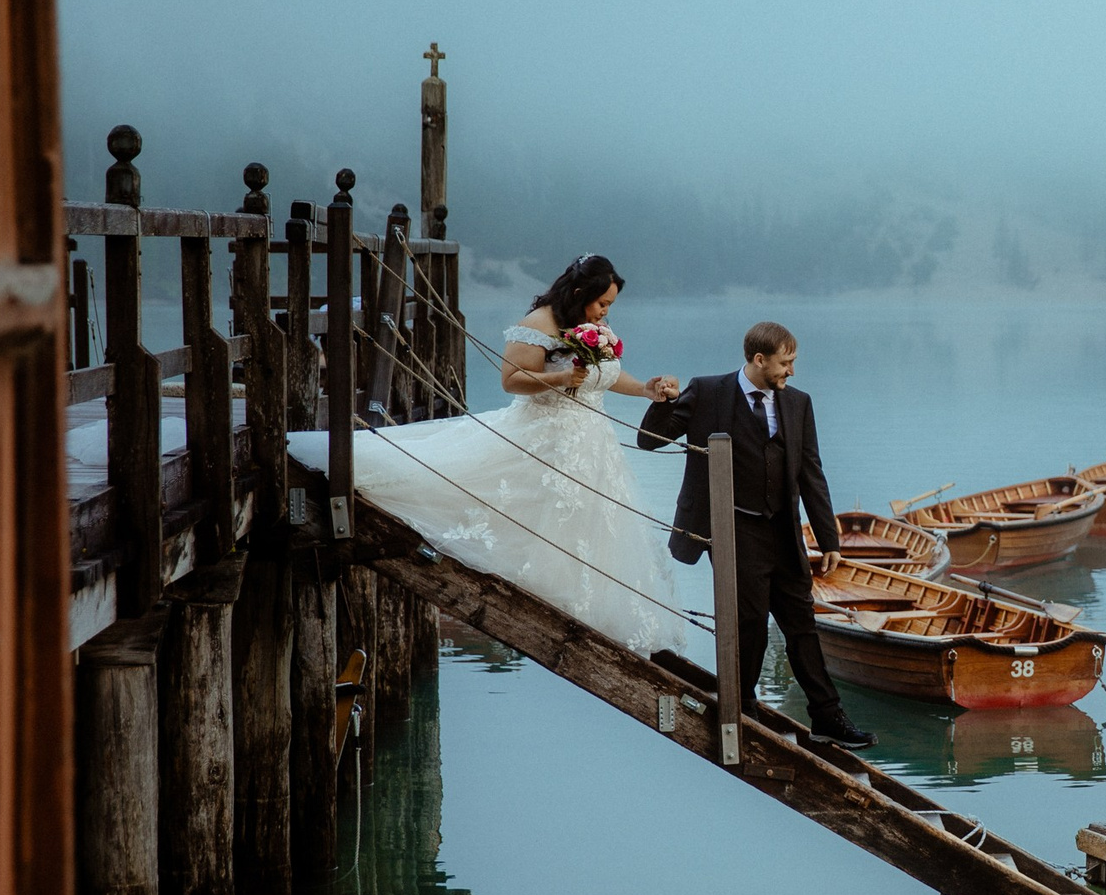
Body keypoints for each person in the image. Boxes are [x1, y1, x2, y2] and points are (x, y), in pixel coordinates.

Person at [338, 253, 686, 652]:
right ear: (577, 293)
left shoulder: (593, 327)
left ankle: (589, 612)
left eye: (609, 306)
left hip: (592, 442)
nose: (605, 313)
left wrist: (645, 388)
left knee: (590, 527)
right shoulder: (537, 324)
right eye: (602, 303)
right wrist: (561, 378)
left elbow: (603, 375)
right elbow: (511, 380)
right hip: (545, 433)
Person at [638, 321, 873, 748]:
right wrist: (659, 402)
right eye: (786, 363)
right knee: (750, 624)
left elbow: (811, 473)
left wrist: (829, 538)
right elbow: (650, 441)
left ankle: (827, 719)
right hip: (732, 530)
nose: (792, 372)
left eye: (794, 362)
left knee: (802, 624)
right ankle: (741, 710)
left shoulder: (798, 403)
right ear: (759, 360)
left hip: (783, 531)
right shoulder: (708, 391)